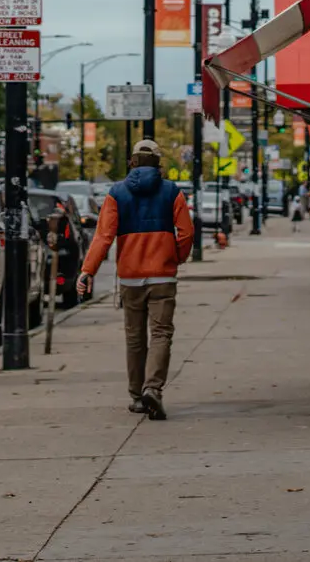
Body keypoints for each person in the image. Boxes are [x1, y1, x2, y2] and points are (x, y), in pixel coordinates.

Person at [77, 139, 195, 421]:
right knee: (161, 333)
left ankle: (137, 396)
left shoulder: (116, 193)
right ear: (158, 163)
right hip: (162, 276)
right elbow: (187, 233)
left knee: (134, 338)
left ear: (132, 162)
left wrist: (88, 270)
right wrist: (176, 257)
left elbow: (104, 237)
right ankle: (152, 388)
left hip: (130, 278)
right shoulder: (172, 192)